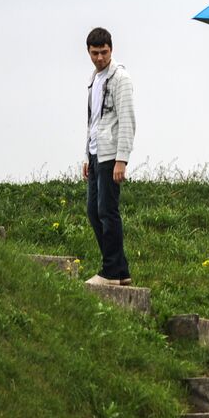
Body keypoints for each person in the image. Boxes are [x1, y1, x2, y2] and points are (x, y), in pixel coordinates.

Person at [82, 27, 135, 286]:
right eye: (95, 53)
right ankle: (119, 268)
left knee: (107, 210)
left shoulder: (120, 78)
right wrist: (86, 156)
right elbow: (93, 121)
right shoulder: (95, 78)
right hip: (95, 154)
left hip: (111, 154)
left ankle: (111, 271)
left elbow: (127, 119)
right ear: (89, 52)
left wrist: (121, 159)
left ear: (111, 50)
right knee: (93, 211)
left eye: (104, 52)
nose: (100, 58)